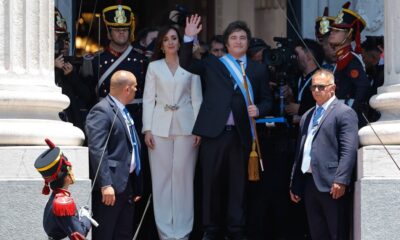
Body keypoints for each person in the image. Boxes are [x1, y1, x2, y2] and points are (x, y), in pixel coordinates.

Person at [180, 15, 272, 240]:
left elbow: (267, 100)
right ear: (227, 43)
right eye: (234, 37)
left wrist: (259, 110)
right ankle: (211, 230)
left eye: (243, 37)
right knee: (210, 184)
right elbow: (186, 64)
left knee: (238, 186)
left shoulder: (258, 69)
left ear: (248, 42)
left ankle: (235, 230)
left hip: (241, 137)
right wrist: (189, 37)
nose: (238, 41)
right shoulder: (213, 63)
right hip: (214, 134)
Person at [142, 25, 203, 240]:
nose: (170, 42)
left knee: (184, 179)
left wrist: (199, 128)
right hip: (159, 126)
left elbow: (197, 98)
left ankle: (183, 233)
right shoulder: (154, 67)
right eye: (166, 39)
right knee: (161, 181)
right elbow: (149, 98)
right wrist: (147, 128)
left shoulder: (190, 64)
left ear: (180, 42)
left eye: (174, 38)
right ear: (161, 43)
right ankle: (166, 234)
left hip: (187, 126)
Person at [290, 69, 358, 240]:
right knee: (317, 233)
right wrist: (295, 182)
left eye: (321, 87)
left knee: (337, 233)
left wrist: (341, 180)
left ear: (332, 88)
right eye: (313, 87)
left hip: (332, 184)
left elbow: (348, 149)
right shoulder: (307, 116)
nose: (316, 91)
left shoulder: (344, 112)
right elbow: (301, 151)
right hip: (309, 182)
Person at [86, 70, 142, 240]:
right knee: (105, 233)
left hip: (126, 184)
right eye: (134, 87)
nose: (136, 90)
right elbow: (98, 149)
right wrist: (105, 184)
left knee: (123, 234)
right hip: (110, 187)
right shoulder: (101, 111)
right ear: (126, 89)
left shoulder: (124, 110)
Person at [34, 138, 94, 240]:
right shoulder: (63, 203)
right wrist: (86, 218)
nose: (72, 173)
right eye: (70, 170)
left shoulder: (55, 197)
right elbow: (79, 236)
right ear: (65, 176)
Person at [329, 2, 370, 128]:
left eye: (337, 31)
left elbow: (363, 87)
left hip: (349, 120)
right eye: (332, 30)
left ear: (348, 35)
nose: (332, 33)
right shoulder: (342, 58)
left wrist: (350, 111)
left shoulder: (351, 59)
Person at [54, 8, 92, 131]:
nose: (63, 44)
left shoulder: (72, 63)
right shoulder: (38, 65)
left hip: (71, 121)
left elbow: (88, 96)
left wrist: (72, 76)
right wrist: (52, 68)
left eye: (66, 39)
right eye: (58, 39)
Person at [286, 39, 325, 123]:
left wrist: (301, 109)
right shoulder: (297, 78)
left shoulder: (322, 79)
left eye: (297, 54)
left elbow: (325, 109)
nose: (294, 58)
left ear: (308, 56)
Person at [315, 7, 337, 71]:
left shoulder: (348, 68)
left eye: (339, 45)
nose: (336, 50)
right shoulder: (312, 66)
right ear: (321, 43)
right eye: (332, 45)